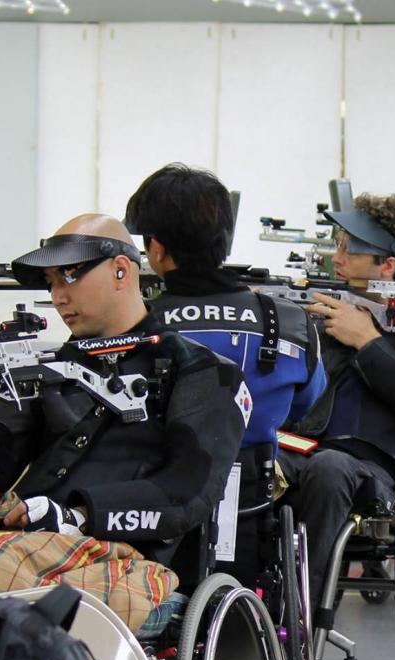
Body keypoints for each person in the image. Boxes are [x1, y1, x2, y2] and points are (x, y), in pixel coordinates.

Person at [0, 214, 249, 630]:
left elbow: (186, 493)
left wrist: (79, 514)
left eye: (68, 277)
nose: (57, 296)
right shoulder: (46, 368)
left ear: (121, 270)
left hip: (121, 561)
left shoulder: (201, 370)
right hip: (23, 546)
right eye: (50, 282)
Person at [128, 163, 326, 580]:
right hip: (256, 500)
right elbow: (306, 405)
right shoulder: (289, 322)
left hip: (151, 518)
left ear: (157, 250)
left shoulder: (135, 327)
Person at [278, 193, 395, 598]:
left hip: (377, 474)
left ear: (388, 265)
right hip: (299, 451)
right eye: (338, 243)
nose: (337, 257)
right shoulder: (316, 313)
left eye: (351, 248)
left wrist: (368, 342)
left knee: (330, 468)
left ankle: (298, 621)